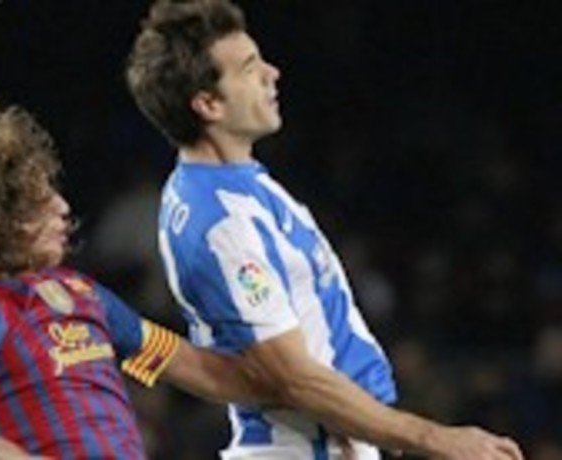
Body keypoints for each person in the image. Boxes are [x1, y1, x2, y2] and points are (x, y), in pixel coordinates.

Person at [125, 1, 524, 459]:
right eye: (250, 68)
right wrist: (435, 438)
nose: (272, 74)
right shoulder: (222, 224)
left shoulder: (237, 182)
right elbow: (294, 379)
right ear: (208, 104)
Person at [0, 92, 271, 460]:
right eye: (38, 200)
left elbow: (196, 369)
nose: (62, 206)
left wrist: (293, 382)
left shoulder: (82, 293)